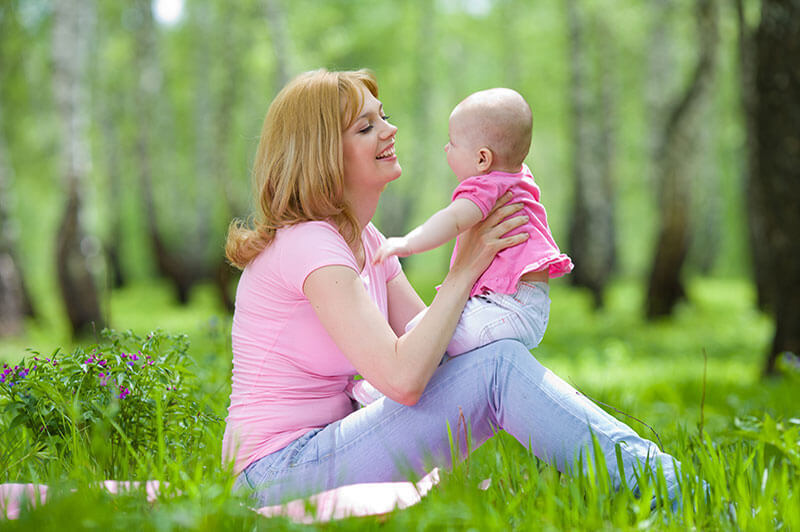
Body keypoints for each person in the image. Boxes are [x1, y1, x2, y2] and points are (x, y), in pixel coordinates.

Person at [222, 68, 683, 509]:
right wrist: (465, 269)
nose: (390, 129)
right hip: (276, 471)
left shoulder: (366, 240)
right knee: (496, 368)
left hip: (331, 446)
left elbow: (438, 348)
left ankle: (647, 477)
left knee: (491, 362)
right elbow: (404, 379)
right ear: (323, 153)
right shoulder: (309, 243)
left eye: (383, 115)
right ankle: (670, 487)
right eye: (366, 127)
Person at [352, 88, 571, 406]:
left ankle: (378, 392)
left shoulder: (485, 187)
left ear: (483, 158)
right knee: (433, 334)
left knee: (426, 335)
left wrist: (407, 243)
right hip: (522, 306)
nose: (446, 148)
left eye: (453, 143)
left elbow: (452, 221)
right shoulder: (518, 178)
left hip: (508, 307)